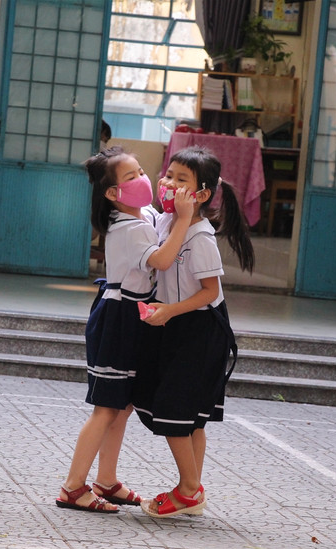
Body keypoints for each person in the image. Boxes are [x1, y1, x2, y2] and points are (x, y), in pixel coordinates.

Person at [56, 146, 196, 513]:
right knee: (105, 407)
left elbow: (162, 219)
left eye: (141, 171)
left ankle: (106, 480)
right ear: (112, 194)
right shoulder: (129, 225)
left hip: (134, 315)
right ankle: (72, 487)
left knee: (123, 405)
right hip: (118, 317)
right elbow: (163, 260)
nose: (143, 179)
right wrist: (184, 218)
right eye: (130, 177)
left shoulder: (143, 214)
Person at [133, 145, 255, 518]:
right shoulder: (165, 222)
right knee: (189, 417)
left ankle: (187, 490)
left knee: (175, 412)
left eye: (180, 180)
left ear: (201, 194)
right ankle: (192, 491)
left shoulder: (200, 236)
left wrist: (169, 310)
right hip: (175, 325)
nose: (168, 183)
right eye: (167, 175)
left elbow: (210, 293)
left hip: (200, 330)